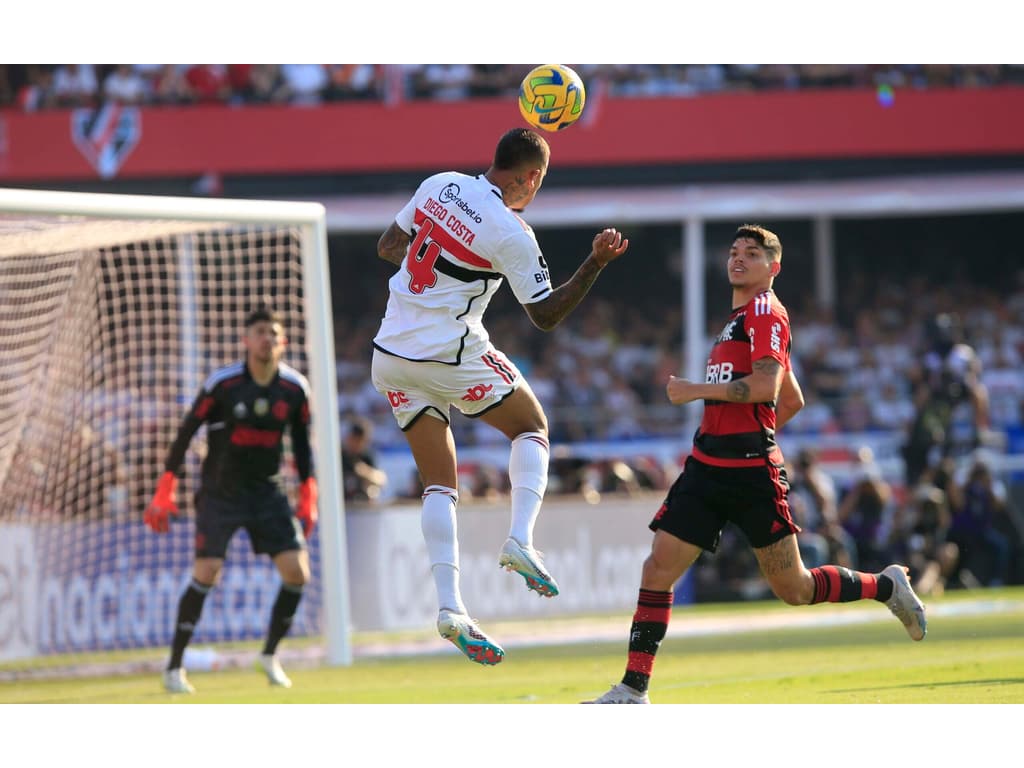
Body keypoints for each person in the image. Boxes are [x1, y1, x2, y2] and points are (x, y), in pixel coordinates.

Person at [585, 224, 926, 704]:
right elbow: (793, 399)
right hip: (707, 467)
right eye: (734, 251)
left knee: (795, 588)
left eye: (752, 253)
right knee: (657, 569)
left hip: (749, 474)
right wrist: (744, 428)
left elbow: (767, 388)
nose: (739, 259)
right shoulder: (739, 317)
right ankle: (633, 689)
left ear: (774, 267)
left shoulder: (766, 311)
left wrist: (699, 394)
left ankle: (884, 586)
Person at [371, 127, 629, 664]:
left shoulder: (439, 183)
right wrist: (596, 263)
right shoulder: (511, 232)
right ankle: (519, 540)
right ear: (530, 178)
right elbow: (545, 315)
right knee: (531, 425)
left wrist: (437, 276)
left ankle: (451, 609)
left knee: (439, 484)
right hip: (447, 351)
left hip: (390, 354)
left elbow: (389, 247)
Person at [144, 304, 318, 694]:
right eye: (259, 331)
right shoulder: (222, 385)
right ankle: (174, 668)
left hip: (267, 492)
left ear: (282, 342)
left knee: (297, 572)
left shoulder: (294, 389)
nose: (266, 339)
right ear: (246, 340)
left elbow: (303, 447)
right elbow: (187, 432)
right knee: (206, 573)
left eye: (272, 333)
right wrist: (166, 485)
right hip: (220, 493)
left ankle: (269, 655)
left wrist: (309, 493)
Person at [341, 416, 388, 501]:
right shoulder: (340, 457)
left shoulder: (366, 457)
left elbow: (381, 480)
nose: (357, 444)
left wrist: (365, 472)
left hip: (363, 506)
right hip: (343, 504)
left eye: (361, 441)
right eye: (355, 440)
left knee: (372, 490)